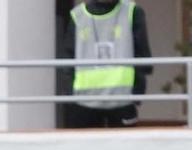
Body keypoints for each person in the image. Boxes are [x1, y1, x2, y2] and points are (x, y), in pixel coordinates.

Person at [63, 1, 153, 130]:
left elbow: (142, 57)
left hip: (121, 99)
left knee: (122, 149)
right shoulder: (78, 15)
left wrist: (137, 92)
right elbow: (68, 59)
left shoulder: (132, 12)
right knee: (87, 149)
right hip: (85, 101)